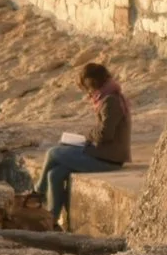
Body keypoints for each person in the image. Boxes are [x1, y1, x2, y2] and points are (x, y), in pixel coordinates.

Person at [35, 62, 131, 229]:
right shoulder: (108, 97)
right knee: (55, 174)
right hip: (102, 153)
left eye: (87, 89)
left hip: (108, 159)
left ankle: (37, 193)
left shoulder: (110, 101)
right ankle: (52, 219)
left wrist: (89, 135)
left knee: (53, 153)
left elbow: (105, 134)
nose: (88, 93)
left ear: (92, 84)